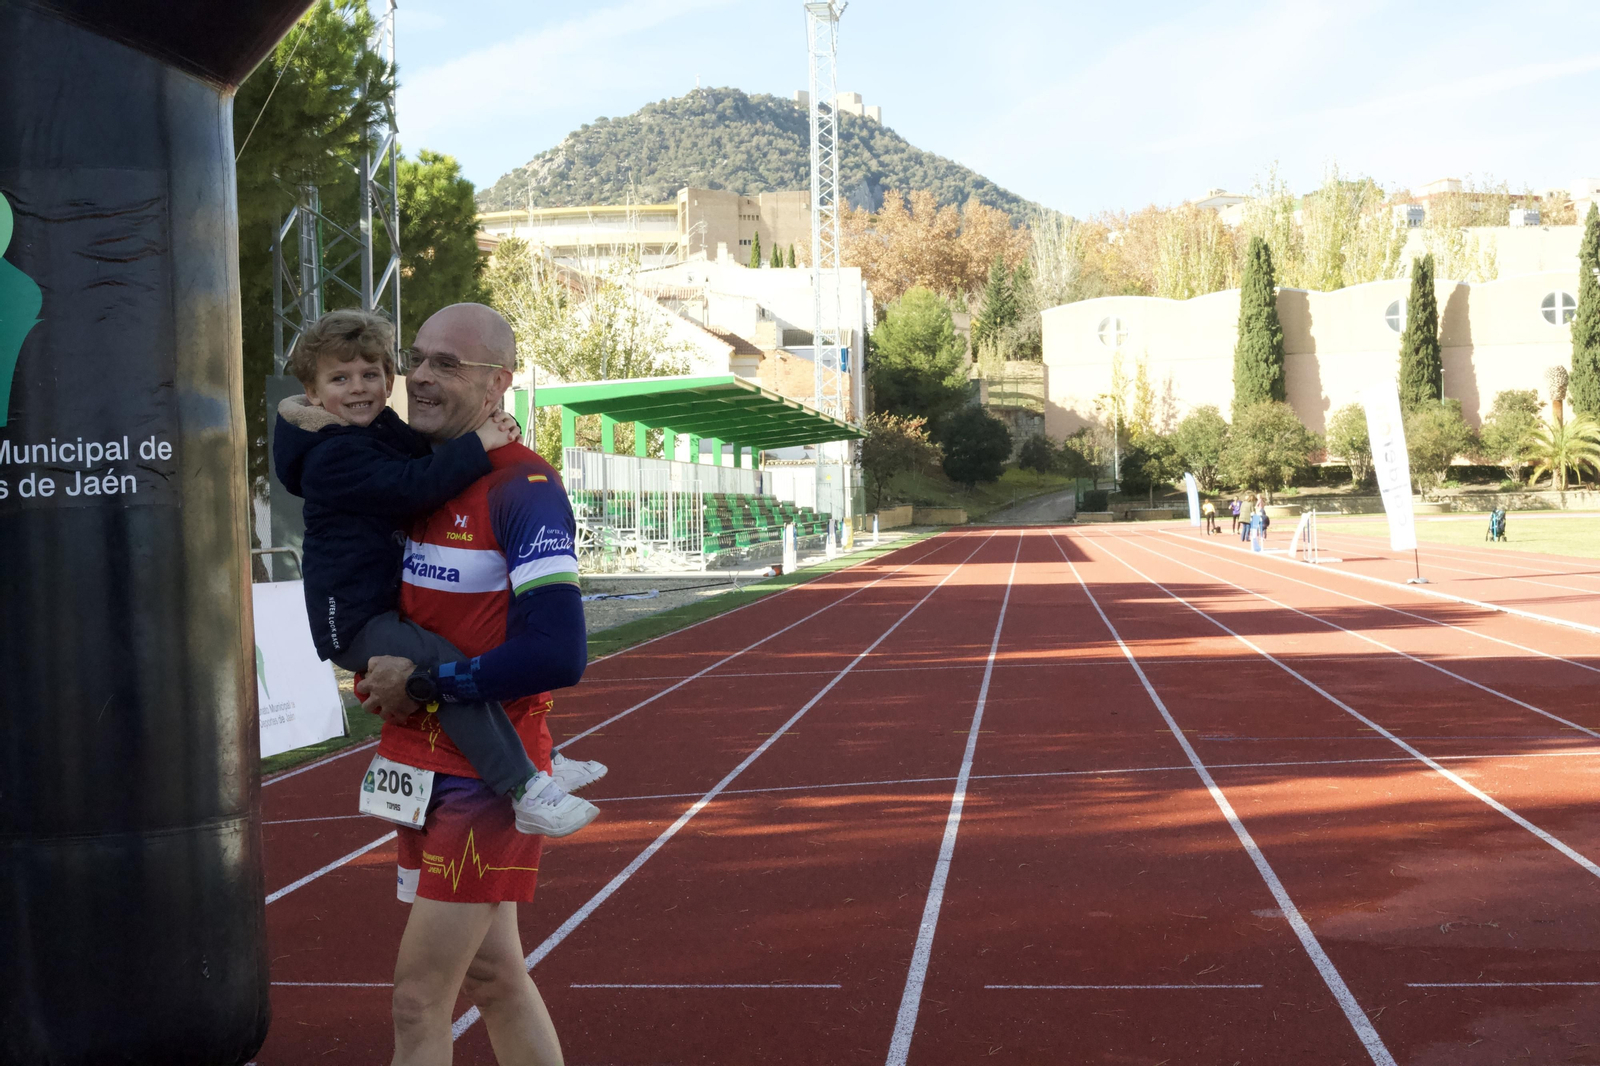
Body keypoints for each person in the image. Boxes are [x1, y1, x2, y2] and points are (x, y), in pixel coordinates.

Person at [358, 303, 586, 1066]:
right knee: (493, 974)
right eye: (417, 358)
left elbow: (559, 652)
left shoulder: (524, 488)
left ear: (499, 386)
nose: (419, 376)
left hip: (487, 781)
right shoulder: (418, 479)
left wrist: (423, 683)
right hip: (414, 767)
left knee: (417, 1001)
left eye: (446, 365)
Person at [272, 309, 596, 839]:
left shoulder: (377, 428)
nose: (358, 389)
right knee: (445, 660)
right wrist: (480, 443)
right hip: (352, 618)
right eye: (339, 379)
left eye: (371, 375)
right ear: (311, 392)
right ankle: (524, 784)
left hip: (382, 617)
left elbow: (423, 453)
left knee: (456, 653)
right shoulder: (330, 454)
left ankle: (540, 761)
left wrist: (484, 437)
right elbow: (410, 484)